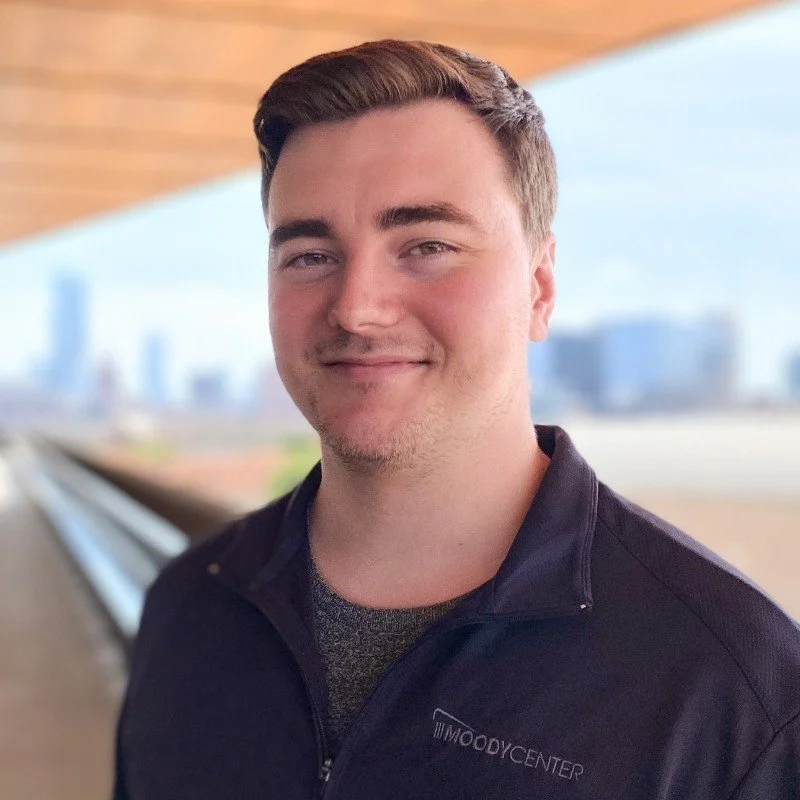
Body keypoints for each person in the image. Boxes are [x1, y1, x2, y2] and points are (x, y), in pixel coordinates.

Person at [112, 40, 800, 799]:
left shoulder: (735, 690)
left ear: (538, 290)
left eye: (428, 245)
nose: (357, 308)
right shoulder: (189, 607)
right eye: (310, 255)